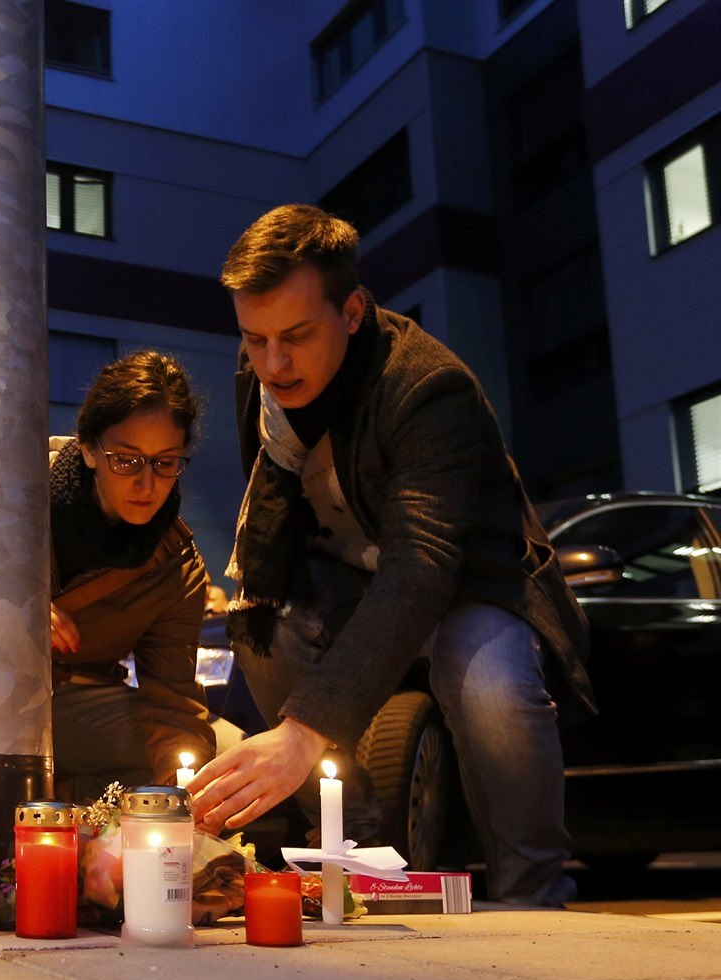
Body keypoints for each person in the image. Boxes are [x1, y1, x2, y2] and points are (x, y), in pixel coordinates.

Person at [190, 205, 593, 905]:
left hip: (470, 581)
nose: (272, 364)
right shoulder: (261, 375)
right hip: (349, 579)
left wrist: (303, 733)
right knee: (260, 626)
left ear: (352, 312)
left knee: (488, 679)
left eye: (296, 336)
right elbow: (282, 520)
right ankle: (358, 859)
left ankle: (535, 890)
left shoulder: (428, 387)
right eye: (254, 339)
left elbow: (422, 563)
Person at [47, 351, 215, 801]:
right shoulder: (15, 494)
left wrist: (187, 794)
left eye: (165, 462)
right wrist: (12, 613)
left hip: (81, 704)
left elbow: (172, 700)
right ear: (88, 448)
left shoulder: (175, 564)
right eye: (125, 460)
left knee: (226, 758)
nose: (146, 484)